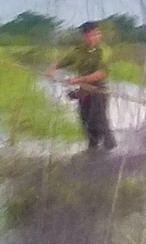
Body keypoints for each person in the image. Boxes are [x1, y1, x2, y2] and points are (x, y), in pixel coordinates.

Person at [48, 20, 116, 151]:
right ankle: (93, 149)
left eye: (98, 34)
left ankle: (110, 149)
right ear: (85, 36)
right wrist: (52, 68)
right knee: (85, 121)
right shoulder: (79, 51)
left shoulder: (103, 51)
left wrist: (79, 79)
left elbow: (101, 73)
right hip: (84, 90)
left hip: (98, 89)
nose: (96, 37)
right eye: (92, 34)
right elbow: (63, 61)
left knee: (98, 120)